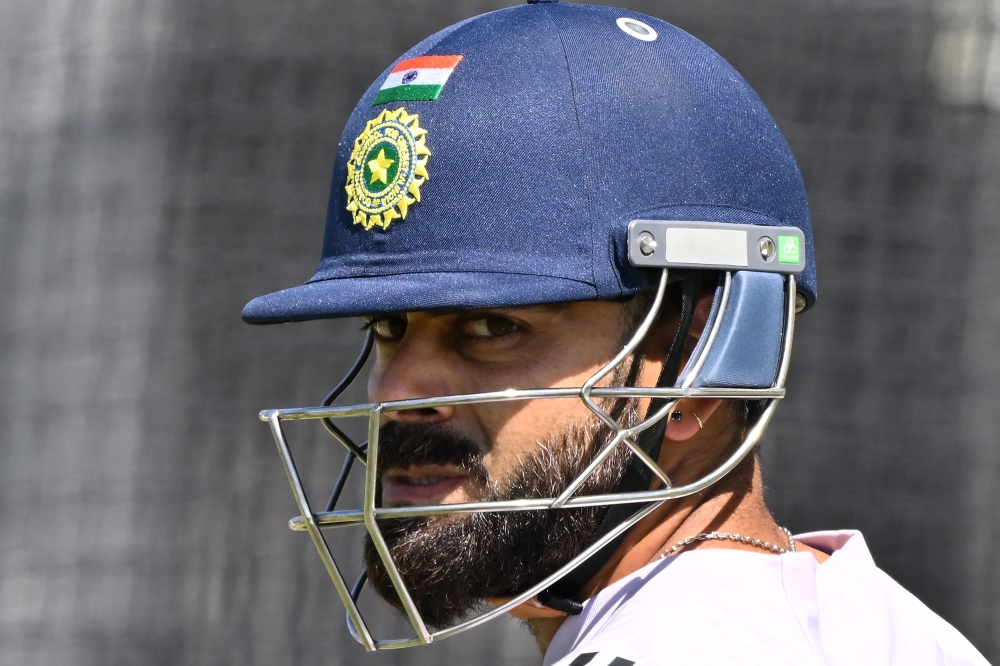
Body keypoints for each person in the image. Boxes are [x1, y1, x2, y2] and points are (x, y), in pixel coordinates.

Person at [243, 1, 989, 663]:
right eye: (389, 327)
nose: (397, 390)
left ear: (697, 366)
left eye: (492, 326)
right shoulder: (877, 626)